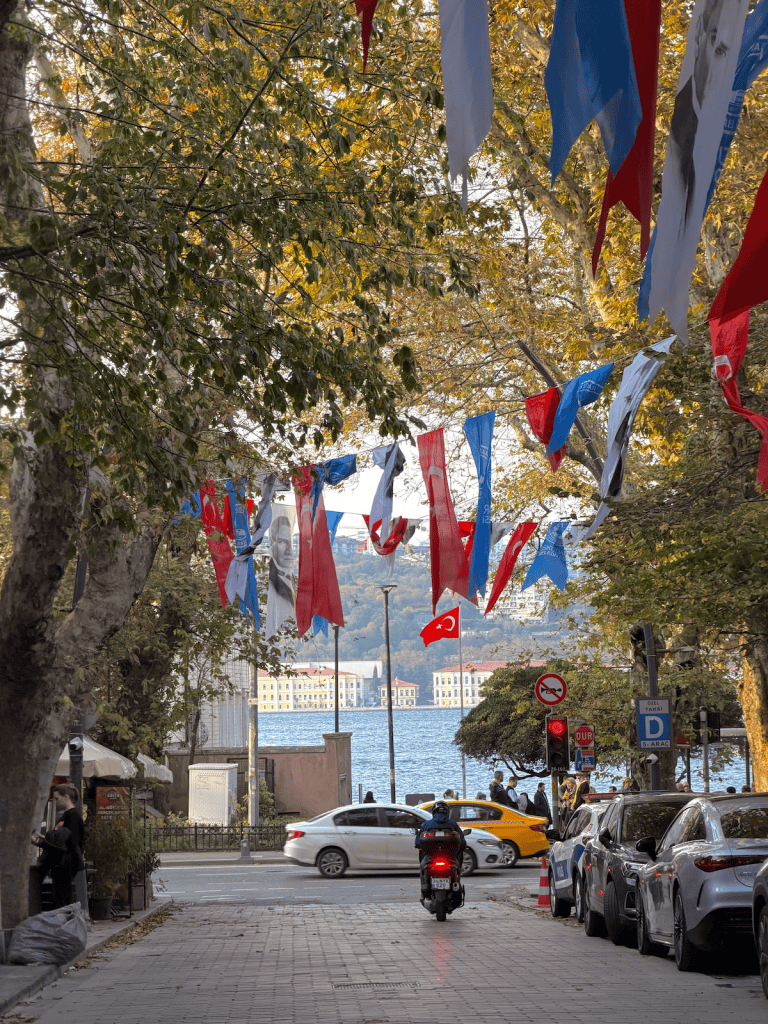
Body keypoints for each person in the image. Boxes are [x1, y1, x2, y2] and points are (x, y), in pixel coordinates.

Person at [32, 784, 85, 909]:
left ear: (66, 797)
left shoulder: (72, 817)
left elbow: (69, 843)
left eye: (57, 798)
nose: (55, 802)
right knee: (61, 898)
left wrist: (43, 843)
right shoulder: (68, 816)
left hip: (65, 864)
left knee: (62, 899)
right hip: (62, 864)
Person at [414, 800, 467, 899]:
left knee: (422, 868)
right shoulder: (453, 824)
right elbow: (462, 842)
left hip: (431, 858)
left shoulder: (426, 824)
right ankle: (456, 885)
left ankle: (424, 888)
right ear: (447, 812)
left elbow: (417, 842)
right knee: (457, 869)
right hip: (450, 858)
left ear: (434, 812)